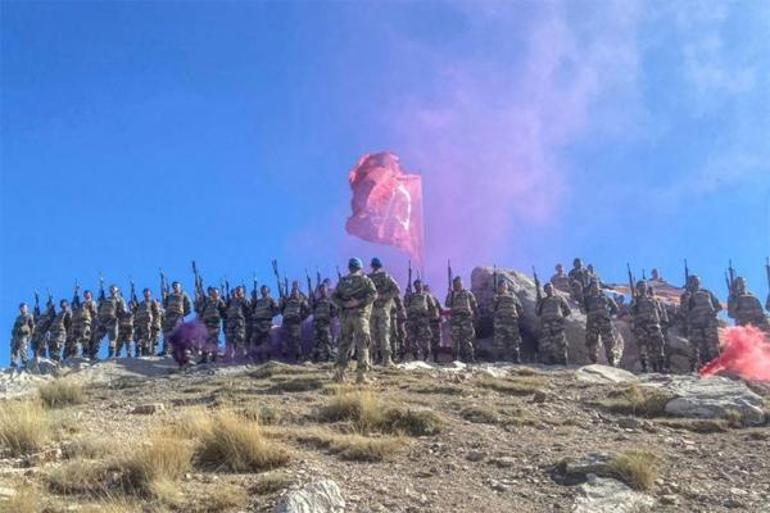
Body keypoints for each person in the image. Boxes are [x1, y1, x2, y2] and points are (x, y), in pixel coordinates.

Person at [331, 257, 377, 383]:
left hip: (345, 318)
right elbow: (373, 295)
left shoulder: (343, 281)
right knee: (362, 344)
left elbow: (334, 297)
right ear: (360, 267)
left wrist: (344, 304)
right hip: (360, 316)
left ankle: (339, 374)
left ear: (349, 267)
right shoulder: (365, 280)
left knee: (344, 344)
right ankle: (361, 376)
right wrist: (359, 302)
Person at [682, 275, 722, 368]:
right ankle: (706, 368)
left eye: (696, 282)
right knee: (701, 349)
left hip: (709, 324)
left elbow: (718, 306)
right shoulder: (686, 295)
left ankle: (718, 367)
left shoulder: (706, 292)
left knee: (713, 347)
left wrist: (712, 314)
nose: (695, 284)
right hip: (696, 326)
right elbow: (684, 311)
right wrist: (687, 298)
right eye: (692, 282)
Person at [367, 257, 400, 367]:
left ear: (371, 266)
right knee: (384, 334)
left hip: (371, 310)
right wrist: (384, 297)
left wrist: (373, 298)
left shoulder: (368, 278)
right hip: (383, 309)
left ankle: (371, 358)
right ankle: (386, 359)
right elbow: (397, 290)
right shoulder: (386, 276)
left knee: (371, 334)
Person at [584, 280, 622, 367]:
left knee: (609, 343)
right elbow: (585, 309)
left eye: (596, 285)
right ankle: (593, 363)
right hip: (592, 324)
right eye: (593, 286)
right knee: (591, 343)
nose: (594, 287)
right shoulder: (588, 299)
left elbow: (615, 308)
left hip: (604, 323)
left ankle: (611, 363)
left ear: (599, 287)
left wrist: (608, 315)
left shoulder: (605, 297)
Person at [631, 281, 667, 373]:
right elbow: (632, 312)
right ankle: (645, 367)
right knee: (643, 347)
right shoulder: (636, 300)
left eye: (644, 286)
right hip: (641, 326)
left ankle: (660, 367)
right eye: (640, 286)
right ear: (638, 288)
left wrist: (659, 322)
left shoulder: (653, 300)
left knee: (658, 346)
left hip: (653, 325)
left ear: (647, 287)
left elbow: (659, 312)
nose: (643, 288)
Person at [535, 282, 572, 365]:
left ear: (553, 288)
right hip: (546, 324)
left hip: (557, 323)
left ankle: (563, 359)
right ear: (545, 290)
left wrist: (560, 317)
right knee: (546, 342)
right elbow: (537, 312)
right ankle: (547, 360)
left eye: (550, 288)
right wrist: (538, 301)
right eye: (547, 288)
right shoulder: (543, 300)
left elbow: (567, 310)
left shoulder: (559, 298)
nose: (549, 290)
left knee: (560, 341)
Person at [445, 276, 479, 363]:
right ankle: (455, 358)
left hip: (466, 318)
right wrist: (449, 294)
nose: (457, 285)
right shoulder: (452, 294)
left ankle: (470, 358)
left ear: (462, 284)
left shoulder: (468, 293)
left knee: (467, 339)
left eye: (459, 283)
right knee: (455, 340)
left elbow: (474, 305)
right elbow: (447, 304)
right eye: (455, 284)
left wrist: (475, 316)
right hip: (455, 319)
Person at [491, 280, 524, 363]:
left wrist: (517, 314)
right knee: (500, 340)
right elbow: (491, 309)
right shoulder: (497, 296)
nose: (502, 287)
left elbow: (520, 307)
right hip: (500, 321)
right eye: (500, 286)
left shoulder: (513, 295)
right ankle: (500, 358)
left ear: (507, 286)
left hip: (512, 320)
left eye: (504, 285)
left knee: (514, 339)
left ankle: (516, 358)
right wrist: (494, 300)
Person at [404, 279, 437, 361]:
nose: (418, 285)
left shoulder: (426, 295)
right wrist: (407, 294)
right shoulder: (411, 295)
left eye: (419, 284)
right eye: (416, 284)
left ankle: (426, 357)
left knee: (425, 339)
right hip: (412, 320)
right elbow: (405, 304)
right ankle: (415, 357)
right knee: (412, 339)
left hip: (423, 319)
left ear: (422, 285)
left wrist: (434, 317)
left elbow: (432, 306)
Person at [94, 285, 127, 359]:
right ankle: (95, 354)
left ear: (117, 290)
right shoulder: (106, 299)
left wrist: (118, 317)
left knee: (112, 338)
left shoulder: (119, 299)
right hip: (102, 321)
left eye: (113, 289)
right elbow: (99, 308)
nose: (112, 290)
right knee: (97, 337)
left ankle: (111, 354)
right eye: (110, 289)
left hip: (112, 320)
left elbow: (124, 311)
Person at [281, 281, 310, 362]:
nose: (294, 293)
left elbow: (308, 310)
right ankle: (285, 359)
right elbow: (282, 308)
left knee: (296, 340)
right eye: (292, 291)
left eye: (295, 291)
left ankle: (298, 358)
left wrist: (302, 317)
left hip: (295, 322)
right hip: (286, 321)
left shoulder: (301, 299)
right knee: (285, 340)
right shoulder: (288, 300)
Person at [161, 281, 192, 356]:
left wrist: (182, 314)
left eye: (177, 286)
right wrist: (164, 296)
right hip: (169, 316)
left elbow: (188, 306)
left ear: (180, 286)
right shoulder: (169, 295)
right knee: (167, 332)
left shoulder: (184, 294)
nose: (175, 287)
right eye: (174, 286)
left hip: (178, 316)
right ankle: (166, 349)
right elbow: (165, 305)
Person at [250, 285, 280, 362]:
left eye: (265, 290)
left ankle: (266, 359)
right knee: (255, 341)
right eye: (262, 289)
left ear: (268, 291)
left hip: (266, 324)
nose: (263, 291)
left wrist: (269, 315)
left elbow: (277, 310)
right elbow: (252, 310)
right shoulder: (258, 301)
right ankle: (256, 360)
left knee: (265, 342)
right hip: (257, 324)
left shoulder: (271, 300)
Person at [311, 282, 337, 362]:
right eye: (321, 289)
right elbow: (312, 309)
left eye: (324, 289)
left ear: (326, 290)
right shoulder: (317, 301)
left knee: (327, 341)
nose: (322, 291)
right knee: (316, 341)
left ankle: (330, 358)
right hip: (316, 323)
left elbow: (335, 311)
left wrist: (329, 316)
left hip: (325, 323)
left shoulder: (330, 300)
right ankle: (315, 359)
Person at [198, 287, 226, 363]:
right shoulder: (207, 302)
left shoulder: (220, 302)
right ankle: (204, 358)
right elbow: (202, 312)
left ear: (218, 294)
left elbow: (223, 312)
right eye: (213, 292)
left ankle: (214, 358)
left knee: (214, 341)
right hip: (206, 324)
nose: (214, 294)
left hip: (215, 324)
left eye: (215, 292)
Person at [68, 290, 97, 359]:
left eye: (87, 293)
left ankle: (86, 353)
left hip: (86, 321)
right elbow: (76, 309)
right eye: (85, 294)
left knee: (85, 337)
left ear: (90, 295)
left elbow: (94, 313)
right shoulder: (82, 304)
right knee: (75, 338)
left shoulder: (92, 302)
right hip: (77, 322)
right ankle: (75, 353)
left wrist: (93, 323)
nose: (86, 295)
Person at [225, 286, 251, 360]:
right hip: (230, 322)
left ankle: (240, 356)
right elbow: (225, 308)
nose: (237, 292)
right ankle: (230, 356)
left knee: (240, 339)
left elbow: (249, 308)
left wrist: (242, 298)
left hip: (239, 322)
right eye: (237, 291)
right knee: (230, 339)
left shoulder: (243, 300)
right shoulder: (231, 301)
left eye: (239, 291)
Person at [134, 288, 162, 357]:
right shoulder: (141, 303)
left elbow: (156, 313)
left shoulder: (153, 301)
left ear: (150, 293)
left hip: (149, 322)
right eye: (145, 292)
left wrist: (155, 322)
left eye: (147, 292)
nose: (146, 293)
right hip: (140, 323)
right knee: (141, 337)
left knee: (149, 337)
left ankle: (149, 352)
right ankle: (142, 352)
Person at [10, 303, 34, 369]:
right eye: (21, 308)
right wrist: (13, 334)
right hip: (16, 335)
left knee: (23, 349)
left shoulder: (29, 315)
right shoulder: (18, 317)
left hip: (24, 335)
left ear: (27, 308)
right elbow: (15, 326)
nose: (22, 309)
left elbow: (32, 326)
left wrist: (30, 335)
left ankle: (25, 363)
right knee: (14, 349)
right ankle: (14, 363)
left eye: (24, 307)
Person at [424, 284, 443, 362]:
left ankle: (435, 357)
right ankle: (428, 357)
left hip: (434, 321)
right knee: (428, 340)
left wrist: (440, 317)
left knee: (435, 340)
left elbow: (440, 309)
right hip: (428, 321)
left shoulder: (434, 298)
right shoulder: (423, 298)